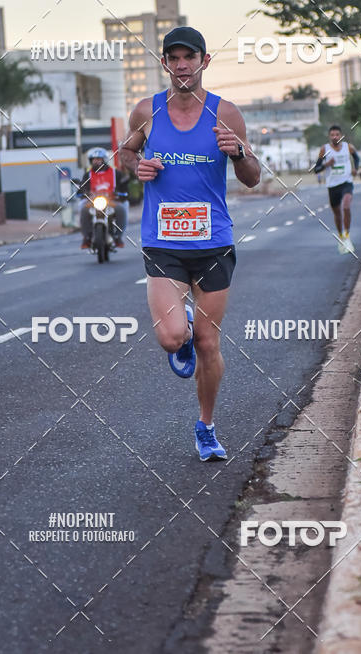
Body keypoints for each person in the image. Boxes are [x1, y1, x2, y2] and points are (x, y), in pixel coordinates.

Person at [119, 26, 261, 461]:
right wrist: (137, 166)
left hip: (213, 242)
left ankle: (206, 427)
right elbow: (125, 155)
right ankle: (179, 324)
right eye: (173, 58)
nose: (182, 65)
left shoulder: (226, 113)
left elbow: (253, 178)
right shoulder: (147, 111)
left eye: (189, 57)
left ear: (204, 61)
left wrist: (236, 152)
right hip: (163, 242)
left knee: (207, 344)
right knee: (171, 337)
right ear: (164, 63)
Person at [314, 125, 360, 254]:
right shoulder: (325, 149)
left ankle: (347, 234)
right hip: (332, 185)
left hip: (347, 182)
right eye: (332, 135)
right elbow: (316, 169)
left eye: (337, 134)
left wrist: (355, 168)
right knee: (337, 214)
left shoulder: (348, 147)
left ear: (341, 136)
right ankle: (341, 236)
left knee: (346, 206)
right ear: (329, 136)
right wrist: (327, 164)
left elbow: (357, 158)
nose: (335, 137)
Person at [77, 147, 127, 249]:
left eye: (99, 159)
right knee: (82, 208)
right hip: (93, 201)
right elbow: (81, 189)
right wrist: (83, 193)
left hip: (112, 200)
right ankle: (86, 237)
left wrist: (121, 194)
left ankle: (118, 236)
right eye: (94, 159)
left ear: (104, 159)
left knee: (122, 208)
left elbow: (124, 187)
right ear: (91, 161)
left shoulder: (115, 173)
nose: (97, 161)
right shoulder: (88, 175)